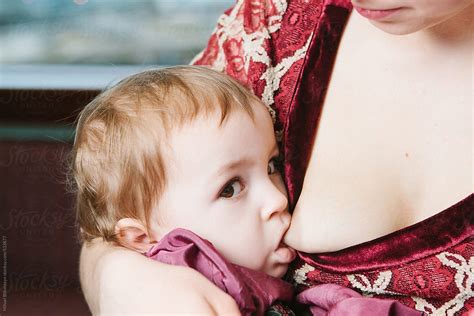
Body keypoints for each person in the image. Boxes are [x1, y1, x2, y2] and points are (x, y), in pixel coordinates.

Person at [79, 0, 473, 314]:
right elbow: (124, 211)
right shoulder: (275, 21)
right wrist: (121, 277)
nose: (280, 200)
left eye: (272, 168)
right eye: (232, 187)